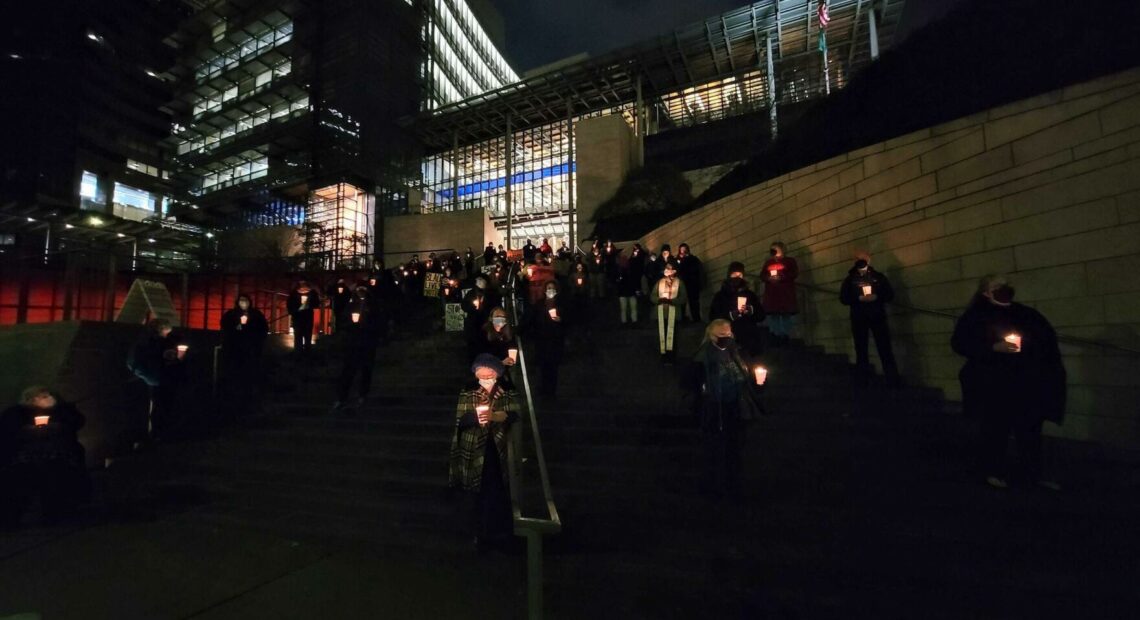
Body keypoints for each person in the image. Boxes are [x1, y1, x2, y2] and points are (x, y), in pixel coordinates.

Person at [951, 275, 1066, 490]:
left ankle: (1032, 474)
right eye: (997, 287)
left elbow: (1045, 338)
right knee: (995, 430)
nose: (1004, 289)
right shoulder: (976, 316)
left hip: (1026, 382)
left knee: (1029, 431)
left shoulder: (1025, 313)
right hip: (994, 384)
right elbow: (960, 343)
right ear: (985, 292)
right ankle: (992, 471)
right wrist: (993, 348)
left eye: (1006, 285)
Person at [447, 354, 519, 550]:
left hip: (497, 447)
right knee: (475, 493)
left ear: (497, 374)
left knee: (496, 490)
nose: (486, 379)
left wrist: (498, 416)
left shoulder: (506, 392)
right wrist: (475, 418)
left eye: (489, 375)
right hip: (474, 447)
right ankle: (478, 533)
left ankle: (497, 533)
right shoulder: (469, 392)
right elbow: (461, 419)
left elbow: (515, 413)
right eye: (482, 375)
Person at [1, 387, 91, 526]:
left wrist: (57, 427)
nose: (47, 397)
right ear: (31, 399)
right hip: (25, 456)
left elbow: (76, 422)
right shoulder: (17, 413)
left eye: (48, 394)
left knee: (58, 473)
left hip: (59, 453)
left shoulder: (62, 411)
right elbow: (8, 431)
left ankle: (58, 512)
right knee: (20, 476)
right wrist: (28, 432)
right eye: (42, 396)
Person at [691, 320, 757, 499]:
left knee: (734, 449)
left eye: (728, 335)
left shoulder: (736, 352)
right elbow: (692, 382)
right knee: (715, 449)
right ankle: (713, 487)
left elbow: (746, 377)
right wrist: (702, 390)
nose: (725, 339)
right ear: (711, 336)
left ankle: (734, 486)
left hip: (736, 407)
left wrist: (758, 381)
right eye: (720, 336)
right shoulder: (703, 356)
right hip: (714, 408)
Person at [839, 256, 900, 384]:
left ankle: (891, 378)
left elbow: (889, 294)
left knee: (883, 348)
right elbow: (844, 298)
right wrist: (859, 299)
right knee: (862, 349)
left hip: (876, 315)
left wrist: (876, 297)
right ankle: (864, 379)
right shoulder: (850, 279)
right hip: (860, 317)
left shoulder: (877, 277)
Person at [127, 318, 185, 440]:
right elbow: (167, 361)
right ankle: (159, 436)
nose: (167, 336)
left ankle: (155, 435)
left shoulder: (143, 342)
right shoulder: (158, 344)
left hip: (152, 379)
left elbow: (133, 362)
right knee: (162, 408)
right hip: (159, 380)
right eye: (166, 333)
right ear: (161, 330)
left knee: (158, 408)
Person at [332, 284, 382, 411]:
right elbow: (343, 321)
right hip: (352, 343)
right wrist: (352, 324)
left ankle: (362, 395)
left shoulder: (372, 306)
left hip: (366, 342)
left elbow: (378, 322)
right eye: (359, 290)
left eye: (363, 290)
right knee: (348, 371)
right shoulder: (350, 306)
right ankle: (342, 398)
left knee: (365, 371)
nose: (361, 292)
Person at [220, 294, 269, 420]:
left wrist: (251, 332)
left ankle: (249, 402)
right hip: (235, 350)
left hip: (251, 350)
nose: (243, 303)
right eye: (241, 300)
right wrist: (237, 327)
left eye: (245, 300)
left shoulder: (256, 314)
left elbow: (263, 328)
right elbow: (226, 327)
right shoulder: (231, 314)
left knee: (249, 377)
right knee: (236, 377)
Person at [709, 262, 765, 357]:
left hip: (750, 339)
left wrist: (751, 311)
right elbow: (713, 317)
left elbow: (761, 315)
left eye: (740, 275)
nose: (737, 277)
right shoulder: (720, 296)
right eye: (734, 274)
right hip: (730, 340)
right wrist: (730, 316)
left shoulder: (750, 294)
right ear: (729, 275)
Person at [527, 281, 567, 397]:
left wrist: (561, 320)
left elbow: (568, 320)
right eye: (548, 288)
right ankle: (543, 390)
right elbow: (532, 319)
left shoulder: (561, 304)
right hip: (542, 339)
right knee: (543, 366)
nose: (550, 290)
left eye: (552, 288)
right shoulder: (539, 304)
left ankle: (551, 391)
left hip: (555, 340)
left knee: (553, 368)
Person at [760, 242, 798, 346]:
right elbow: (762, 275)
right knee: (774, 315)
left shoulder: (789, 261)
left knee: (785, 315)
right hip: (772, 293)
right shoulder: (768, 263)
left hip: (785, 293)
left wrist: (781, 276)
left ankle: (785, 335)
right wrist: (769, 278)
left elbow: (794, 273)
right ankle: (776, 334)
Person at [650, 261, 687, 364]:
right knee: (662, 335)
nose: (668, 271)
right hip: (661, 313)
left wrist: (673, 301)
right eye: (667, 268)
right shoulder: (659, 282)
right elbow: (652, 296)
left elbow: (683, 297)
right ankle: (663, 355)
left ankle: (671, 356)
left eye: (671, 268)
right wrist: (659, 300)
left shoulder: (679, 282)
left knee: (672, 336)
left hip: (674, 313)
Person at [477, 308, 519, 388]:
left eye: (503, 317)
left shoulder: (507, 335)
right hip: (488, 376)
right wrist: (501, 362)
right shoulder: (484, 334)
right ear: (491, 318)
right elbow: (482, 357)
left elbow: (511, 349)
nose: (500, 319)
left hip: (503, 374)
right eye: (497, 316)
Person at [286, 280, 320, 355]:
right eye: (301, 283)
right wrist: (293, 311)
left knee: (307, 335)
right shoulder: (294, 293)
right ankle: (298, 352)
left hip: (308, 316)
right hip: (297, 317)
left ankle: (307, 351)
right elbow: (289, 304)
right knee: (298, 335)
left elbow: (316, 303)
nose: (302, 285)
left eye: (304, 283)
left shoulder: (312, 293)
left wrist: (308, 305)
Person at [676, 243, 704, 322]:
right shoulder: (678, 260)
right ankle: (682, 319)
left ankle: (696, 319)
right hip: (682, 284)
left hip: (693, 284)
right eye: (681, 249)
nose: (683, 251)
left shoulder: (693, 259)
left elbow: (698, 270)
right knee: (682, 303)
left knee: (694, 303)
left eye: (684, 249)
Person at [616, 254, 640, 327]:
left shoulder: (622, 270)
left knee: (626, 308)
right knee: (630, 308)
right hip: (628, 292)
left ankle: (627, 322)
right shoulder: (626, 270)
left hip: (626, 292)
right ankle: (632, 321)